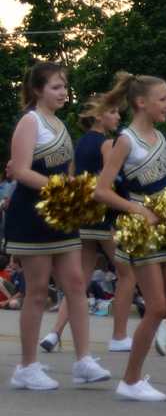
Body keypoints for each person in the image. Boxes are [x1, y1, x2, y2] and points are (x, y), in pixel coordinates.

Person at [93, 72, 166, 402]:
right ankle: (130, 379)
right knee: (156, 307)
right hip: (141, 228)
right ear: (142, 102)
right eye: (163, 99)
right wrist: (138, 211)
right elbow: (101, 191)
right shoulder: (125, 140)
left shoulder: (164, 140)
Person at [5, 62, 111, 391]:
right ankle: (26, 366)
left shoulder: (59, 124)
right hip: (33, 213)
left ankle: (83, 360)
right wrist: (59, 189)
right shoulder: (30, 121)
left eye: (64, 85)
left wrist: (74, 192)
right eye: (55, 86)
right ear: (37, 90)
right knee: (36, 292)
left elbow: (67, 171)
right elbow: (20, 171)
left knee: (76, 283)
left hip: (60, 212)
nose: (62, 91)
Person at [42, 95, 137, 355]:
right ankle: (119, 335)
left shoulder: (80, 143)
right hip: (103, 216)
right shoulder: (107, 143)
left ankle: (54, 333)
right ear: (99, 116)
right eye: (114, 112)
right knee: (127, 273)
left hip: (82, 215)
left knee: (80, 280)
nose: (118, 117)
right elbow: (111, 178)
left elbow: (71, 178)